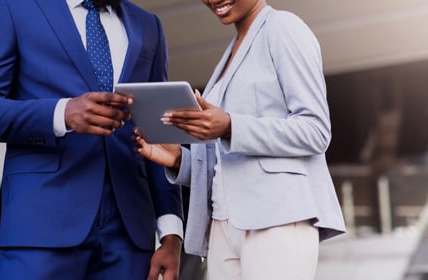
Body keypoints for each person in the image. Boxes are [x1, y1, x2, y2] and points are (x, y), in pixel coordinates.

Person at [0, 0, 183, 279]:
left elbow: (159, 132)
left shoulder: (148, 25)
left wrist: (171, 233)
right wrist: (62, 113)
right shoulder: (11, 7)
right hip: (40, 226)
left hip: (129, 234)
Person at [134, 0, 346, 279]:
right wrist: (178, 161)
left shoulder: (283, 28)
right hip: (223, 225)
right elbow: (229, 165)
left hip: (276, 219)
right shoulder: (233, 49)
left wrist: (231, 127)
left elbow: (315, 130)